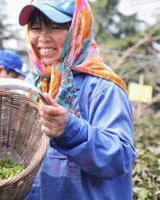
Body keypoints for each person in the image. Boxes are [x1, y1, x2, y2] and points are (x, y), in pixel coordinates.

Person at [18, 0, 136, 199]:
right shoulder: (29, 87)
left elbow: (121, 159)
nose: (43, 38)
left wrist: (70, 130)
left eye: (55, 27)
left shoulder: (103, 88)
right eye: (36, 28)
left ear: (78, 28)